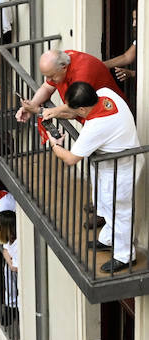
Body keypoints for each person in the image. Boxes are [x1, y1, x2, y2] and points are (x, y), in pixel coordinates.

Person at [41, 80, 143, 273]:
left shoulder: (96, 126)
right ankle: (108, 238)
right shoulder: (105, 93)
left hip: (121, 170)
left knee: (120, 211)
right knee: (105, 203)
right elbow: (74, 110)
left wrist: (54, 144)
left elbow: (71, 158)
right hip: (111, 162)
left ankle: (125, 256)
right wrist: (56, 112)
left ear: (82, 108)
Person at [14, 48, 123, 124]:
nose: (48, 80)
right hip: (93, 116)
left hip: (111, 116)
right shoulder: (61, 61)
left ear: (64, 68)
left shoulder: (82, 73)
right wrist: (31, 106)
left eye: (51, 76)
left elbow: (73, 111)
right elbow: (47, 87)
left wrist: (40, 111)